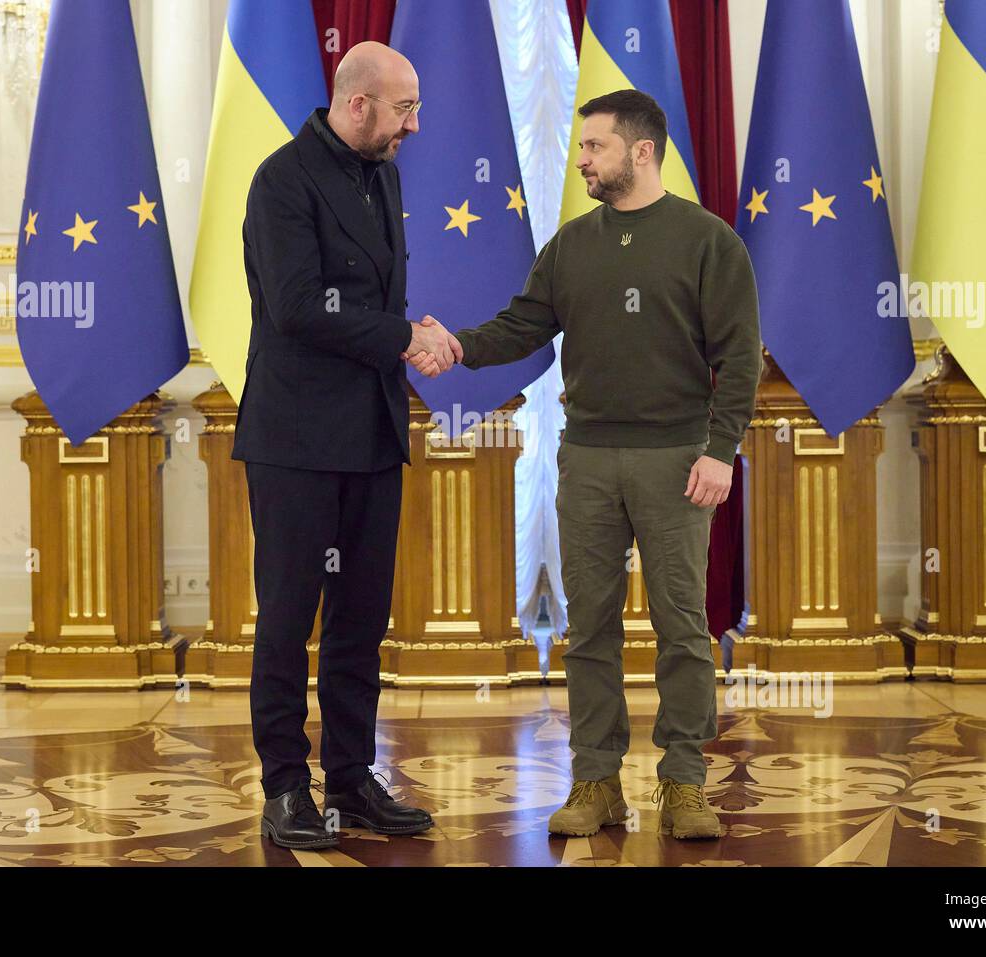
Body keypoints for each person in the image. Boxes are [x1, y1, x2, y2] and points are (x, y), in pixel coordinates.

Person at [409, 89, 762, 840]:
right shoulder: (571, 244)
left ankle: (684, 783)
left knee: (682, 628)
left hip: (679, 462)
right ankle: (595, 779)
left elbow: (739, 360)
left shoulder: (710, 242)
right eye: (581, 149)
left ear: (640, 152)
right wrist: (459, 344)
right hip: (589, 459)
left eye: (594, 148)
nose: (582, 161)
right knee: (590, 627)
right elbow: (524, 325)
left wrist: (720, 450)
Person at [233, 41, 456, 850]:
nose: (416, 124)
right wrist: (406, 337)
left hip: (371, 431)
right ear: (358, 104)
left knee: (362, 616)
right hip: (295, 437)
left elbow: (366, 298)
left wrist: (408, 337)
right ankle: (286, 785)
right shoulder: (280, 180)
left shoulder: (383, 174)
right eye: (405, 108)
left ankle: (352, 777)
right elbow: (296, 308)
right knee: (290, 616)